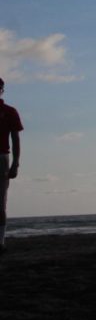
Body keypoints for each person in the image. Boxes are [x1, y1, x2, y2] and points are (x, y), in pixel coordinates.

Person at [0, 77, 23, 254]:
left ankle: (0, 240)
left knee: (1, 202)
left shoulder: (9, 111)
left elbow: (15, 138)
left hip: (2, 157)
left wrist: (15, 163)